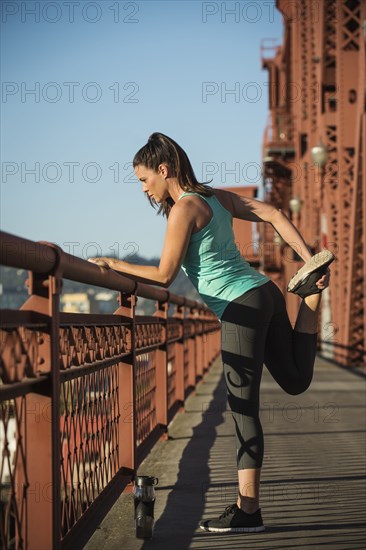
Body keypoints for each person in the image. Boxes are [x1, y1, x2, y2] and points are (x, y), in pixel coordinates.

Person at [88, 132, 334, 533]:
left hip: (239, 308)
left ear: (163, 169)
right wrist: (308, 260)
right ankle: (309, 298)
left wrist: (113, 264)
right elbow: (273, 213)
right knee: (294, 380)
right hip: (264, 293)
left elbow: (164, 275)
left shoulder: (183, 210)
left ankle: (248, 510)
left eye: (144, 179)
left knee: (243, 409)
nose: (144, 189)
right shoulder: (219, 198)